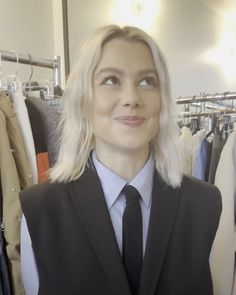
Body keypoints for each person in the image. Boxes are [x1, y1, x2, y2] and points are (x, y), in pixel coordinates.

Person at [20, 25, 222, 295]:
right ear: (84, 98)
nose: (131, 99)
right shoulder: (41, 211)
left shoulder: (205, 205)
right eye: (111, 80)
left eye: (147, 81)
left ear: (162, 100)